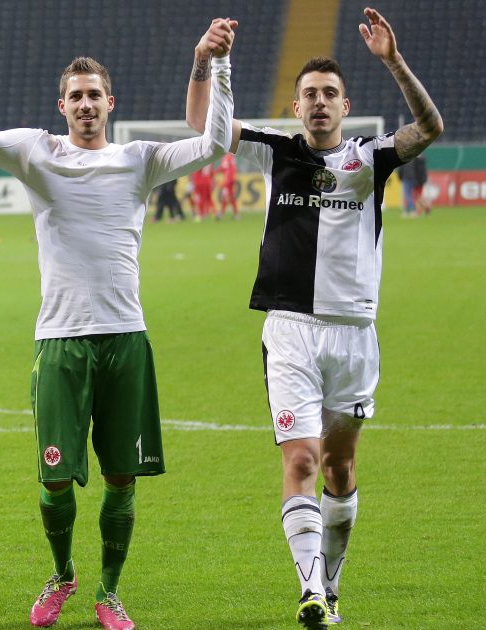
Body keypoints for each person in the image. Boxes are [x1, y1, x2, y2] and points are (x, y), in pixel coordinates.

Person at [0, 19, 236, 630]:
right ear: (62, 105)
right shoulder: (34, 150)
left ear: (110, 102)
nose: (86, 105)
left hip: (126, 335)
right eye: (76, 96)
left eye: (95, 94)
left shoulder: (139, 159)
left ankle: (109, 591)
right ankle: (63, 573)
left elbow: (216, 143)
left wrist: (213, 65)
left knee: (121, 477)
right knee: (55, 480)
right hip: (60, 341)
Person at [185, 8, 441, 629]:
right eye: (309, 95)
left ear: (345, 105)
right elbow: (204, 126)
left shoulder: (371, 159)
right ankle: (312, 592)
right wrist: (205, 60)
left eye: (329, 94)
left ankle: (331, 581)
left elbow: (429, 127)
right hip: (291, 330)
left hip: (354, 335)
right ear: (296, 108)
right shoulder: (277, 153)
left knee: (340, 466)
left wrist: (393, 60)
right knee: (300, 460)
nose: (319, 102)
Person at [218, 152, 239, 218]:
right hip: (232, 180)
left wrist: (216, 171)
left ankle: (221, 213)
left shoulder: (226, 158)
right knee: (231, 197)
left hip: (228, 181)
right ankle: (236, 214)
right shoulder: (231, 157)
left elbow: (223, 168)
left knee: (225, 196)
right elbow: (233, 169)